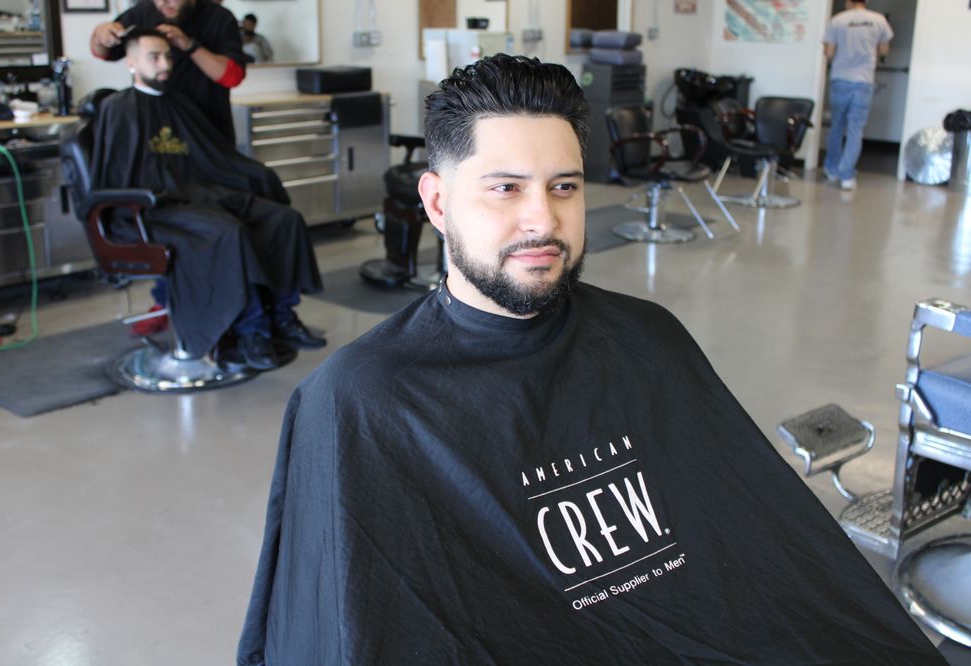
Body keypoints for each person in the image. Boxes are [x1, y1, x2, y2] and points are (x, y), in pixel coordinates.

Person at [236, 55, 944, 664]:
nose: (543, 219)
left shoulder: (648, 338)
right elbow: (347, 628)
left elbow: (760, 545)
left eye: (564, 186)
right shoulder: (360, 401)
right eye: (505, 187)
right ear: (438, 201)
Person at [91, 29, 324, 369]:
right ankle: (252, 331)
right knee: (228, 232)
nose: (165, 64)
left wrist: (257, 176)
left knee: (283, 219)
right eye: (154, 57)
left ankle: (283, 316)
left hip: (201, 195)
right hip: (151, 209)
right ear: (131, 62)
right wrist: (167, 193)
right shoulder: (118, 109)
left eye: (168, 56)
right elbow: (117, 174)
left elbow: (213, 157)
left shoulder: (179, 103)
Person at [90, 0, 247, 144]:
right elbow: (104, 52)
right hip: (154, 132)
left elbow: (233, 77)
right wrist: (100, 35)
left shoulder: (219, 18)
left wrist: (189, 45)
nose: (163, 2)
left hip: (206, 132)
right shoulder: (141, 13)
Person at [822, 0, 893, 191]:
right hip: (863, 81)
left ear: (848, 2)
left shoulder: (837, 20)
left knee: (836, 126)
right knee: (855, 130)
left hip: (840, 79)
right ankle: (846, 176)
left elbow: (829, 53)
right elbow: (884, 49)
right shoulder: (878, 20)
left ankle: (831, 169)